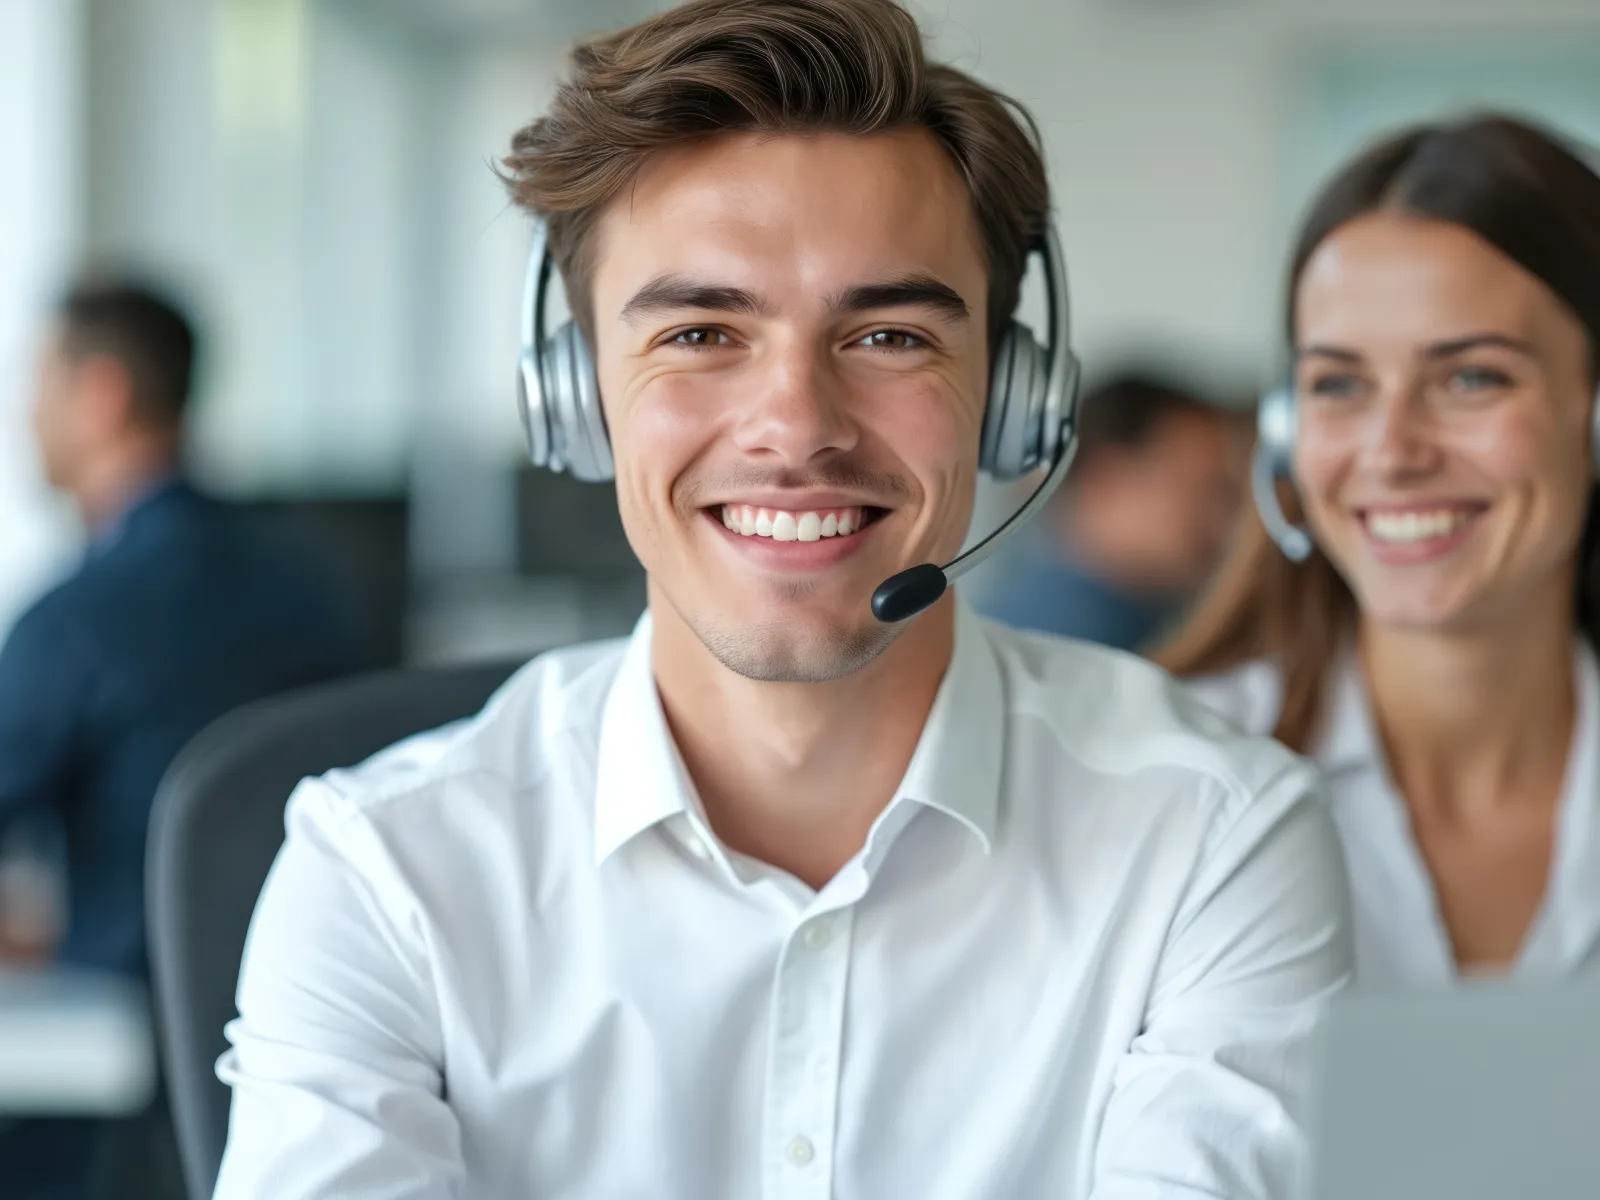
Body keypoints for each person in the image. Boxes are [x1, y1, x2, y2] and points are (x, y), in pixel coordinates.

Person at [215, 2, 1351, 1196]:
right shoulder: (386, 872)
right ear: (576, 395)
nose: (797, 426)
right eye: (703, 331)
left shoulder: (1211, 842)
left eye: (889, 335)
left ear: (1012, 397)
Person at [1162, 113, 1600, 988]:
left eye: (1472, 376)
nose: (1393, 451)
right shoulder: (1168, 777)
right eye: (1340, 384)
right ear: (1287, 431)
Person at [0, 280, 364, 1199]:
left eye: (41, 382)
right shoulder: (309, 581)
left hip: (119, 1080)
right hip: (320, 1032)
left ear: (104, 393)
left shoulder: (83, 615)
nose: (25, 413)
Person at [979, 373, 1247, 649]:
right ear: (1106, 481)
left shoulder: (1024, 615)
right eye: (1202, 491)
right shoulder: (1082, 643)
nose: (1223, 521)